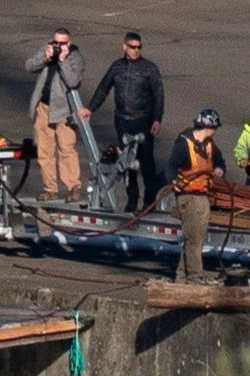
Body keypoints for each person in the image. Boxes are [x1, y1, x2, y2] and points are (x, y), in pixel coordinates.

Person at [77, 32, 165, 211]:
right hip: (123, 122)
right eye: (132, 47)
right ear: (124, 46)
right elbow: (104, 88)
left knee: (147, 162)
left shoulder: (150, 69)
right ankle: (132, 201)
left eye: (139, 47)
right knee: (126, 163)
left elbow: (159, 96)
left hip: (143, 121)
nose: (136, 50)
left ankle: (150, 203)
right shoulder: (117, 67)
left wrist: (157, 119)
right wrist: (90, 108)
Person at [166, 109, 226, 284]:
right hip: (189, 196)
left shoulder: (210, 145)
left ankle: (182, 275)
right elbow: (171, 167)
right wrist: (173, 182)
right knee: (194, 240)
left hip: (202, 196)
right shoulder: (184, 144)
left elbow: (220, 161)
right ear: (208, 127)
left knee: (193, 238)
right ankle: (194, 278)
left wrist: (220, 169)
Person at [25, 28, 85, 202]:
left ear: (70, 42)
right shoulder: (48, 50)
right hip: (44, 107)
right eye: (56, 42)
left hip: (64, 109)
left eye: (63, 43)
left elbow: (73, 81)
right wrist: (46, 56)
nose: (59, 46)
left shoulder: (75, 58)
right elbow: (29, 66)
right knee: (44, 150)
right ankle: (50, 189)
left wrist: (62, 60)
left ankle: (73, 187)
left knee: (66, 149)